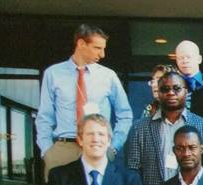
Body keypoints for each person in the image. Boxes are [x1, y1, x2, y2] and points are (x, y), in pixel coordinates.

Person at [37, 24, 133, 176]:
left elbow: (125, 115)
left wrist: (113, 147)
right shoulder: (53, 74)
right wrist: (47, 151)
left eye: (103, 48)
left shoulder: (108, 76)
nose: (102, 55)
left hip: (98, 148)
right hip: (64, 149)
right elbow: (44, 116)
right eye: (97, 48)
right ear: (81, 44)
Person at [125, 71, 203, 185]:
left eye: (176, 88)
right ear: (158, 93)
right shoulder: (140, 127)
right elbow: (133, 171)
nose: (171, 93)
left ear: (186, 91)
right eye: (165, 89)